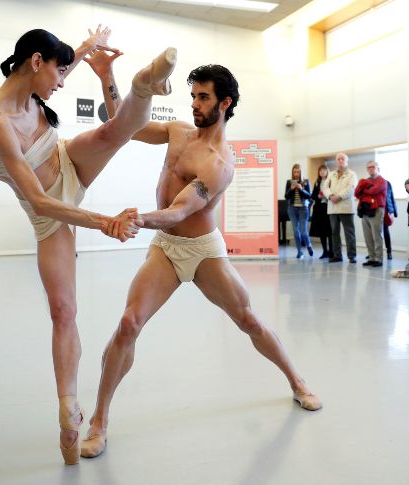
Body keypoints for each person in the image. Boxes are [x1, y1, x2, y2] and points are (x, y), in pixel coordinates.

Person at [79, 57, 322, 459]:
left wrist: (135, 218)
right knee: (128, 322)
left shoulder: (220, 165)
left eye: (203, 97)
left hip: (203, 250)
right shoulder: (177, 132)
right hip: (166, 250)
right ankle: (100, 421)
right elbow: (126, 124)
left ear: (224, 103)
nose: (194, 103)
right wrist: (107, 76)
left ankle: (297, 382)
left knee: (248, 319)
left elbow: (177, 212)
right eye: (193, 95)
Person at [0, 26, 177, 465]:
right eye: (57, 72)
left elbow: (66, 61)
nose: (61, 82)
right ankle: (68, 412)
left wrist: (93, 55)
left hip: (69, 162)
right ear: (34, 62)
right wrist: (102, 222)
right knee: (63, 311)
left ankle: (145, 83)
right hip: (49, 214)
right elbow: (40, 201)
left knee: (118, 130)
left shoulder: (38, 80)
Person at [323, 153, 358, 263]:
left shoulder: (352, 174)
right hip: (333, 208)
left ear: (346, 161)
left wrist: (339, 196)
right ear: (336, 161)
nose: (340, 161)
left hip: (346, 207)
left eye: (342, 159)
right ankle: (337, 255)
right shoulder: (331, 174)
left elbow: (351, 188)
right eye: (338, 159)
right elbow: (325, 187)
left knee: (349, 232)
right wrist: (330, 196)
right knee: (334, 232)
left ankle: (352, 256)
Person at [354, 160, 388, 267]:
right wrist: (365, 189)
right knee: (367, 235)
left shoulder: (382, 181)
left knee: (376, 235)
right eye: (368, 167)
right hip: (365, 209)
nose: (371, 169)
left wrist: (364, 189)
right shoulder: (365, 181)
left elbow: (374, 191)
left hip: (377, 209)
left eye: (373, 167)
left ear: (378, 168)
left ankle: (379, 259)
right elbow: (357, 193)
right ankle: (371, 257)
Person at [284, 163, 314, 258]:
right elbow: (286, 196)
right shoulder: (289, 182)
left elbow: (309, 195)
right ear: (292, 172)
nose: (296, 173)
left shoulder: (305, 181)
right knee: (296, 232)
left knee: (303, 231)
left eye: (298, 172)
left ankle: (309, 245)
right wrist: (291, 189)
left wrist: (301, 189)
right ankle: (299, 251)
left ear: (301, 172)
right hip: (292, 208)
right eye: (294, 172)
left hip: (303, 208)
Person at [309, 164, 333, 259]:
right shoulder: (317, 182)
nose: (322, 172)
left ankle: (332, 251)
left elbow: (333, 193)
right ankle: (325, 251)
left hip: (328, 208)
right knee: (321, 232)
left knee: (329, 231)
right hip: (319, 209)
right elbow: (313, 196)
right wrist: (318, 197)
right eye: (320, 170)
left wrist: (326, 196)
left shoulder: (331, 181)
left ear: (327, 171)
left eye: (324, 170)